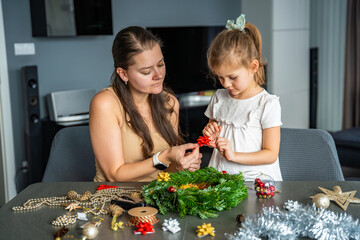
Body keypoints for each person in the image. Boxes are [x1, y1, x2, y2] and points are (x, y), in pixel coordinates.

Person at [89, 26, 201, 182]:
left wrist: (183, 164)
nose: (158, 75)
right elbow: (114, 175)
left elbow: (168, 172)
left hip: (158, 195)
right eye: (146, 71)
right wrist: (164, 156)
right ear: (123, 73)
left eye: (161, 64)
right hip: (115, 197)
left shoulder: (169, 103)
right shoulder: (106, 103)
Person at [202, 14, 283, 181]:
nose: (225, 84)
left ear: (253, 67)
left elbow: (270, 154)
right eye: (220, 77)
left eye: (232, 77)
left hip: (256, 181)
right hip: (220, 177)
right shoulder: (218, 98)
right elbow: (212, 137)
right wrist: (210, 136)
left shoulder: (267, 104)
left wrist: (234, 156)